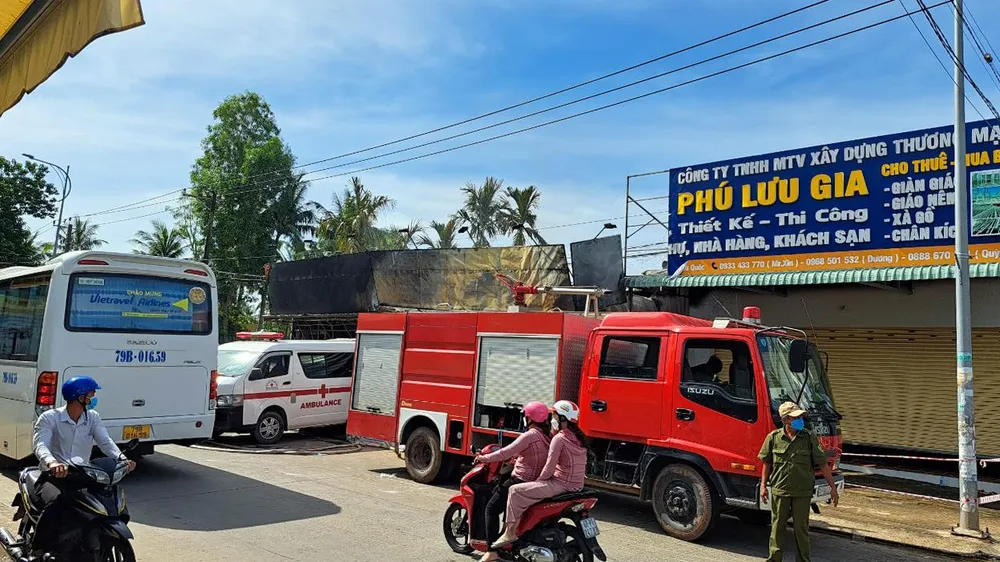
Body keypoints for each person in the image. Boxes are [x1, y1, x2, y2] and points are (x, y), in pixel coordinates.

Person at [32, 376, 136, 535]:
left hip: (83, 474)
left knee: (112, 498)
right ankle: (39, 548)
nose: (93, 398)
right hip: (54, 476)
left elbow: (105, 442)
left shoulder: (92, 417)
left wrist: (122, 459)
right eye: (91, 395)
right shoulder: (49, 418)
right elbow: (41, 445)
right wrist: (52, 463)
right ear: (80, 397)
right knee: (56, 502)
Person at [492, 400, 588, 549]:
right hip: (577, 486)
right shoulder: (579, 438)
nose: (553, 421)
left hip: (561, 484)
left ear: (563, 419)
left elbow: (549, 468)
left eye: (555, 417)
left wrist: (538, 482)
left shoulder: (559, 439)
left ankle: (510, 532)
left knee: (514, 490)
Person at [758, 401, 839, 562]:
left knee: (801, 529)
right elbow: (767, 463)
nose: (800, 420)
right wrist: (763, 487)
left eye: (801, 416)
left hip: (802, 492)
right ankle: (774, 559)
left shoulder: (808, 438)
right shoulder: (773, 438)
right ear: (786, 420)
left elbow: (822, 463)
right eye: (796, 417)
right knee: (777, 528)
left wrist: (833, 488)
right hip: (780, 490)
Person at [473, 401, 552, 562]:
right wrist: (516, 459)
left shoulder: (529, 435)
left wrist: (483, 457)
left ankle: (491, 551)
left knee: (491, 508)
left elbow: (505, 452)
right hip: (537, 482)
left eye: (525, 416)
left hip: (520, 480)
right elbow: (531, 456)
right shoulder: (547, 436)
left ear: (529, 418)